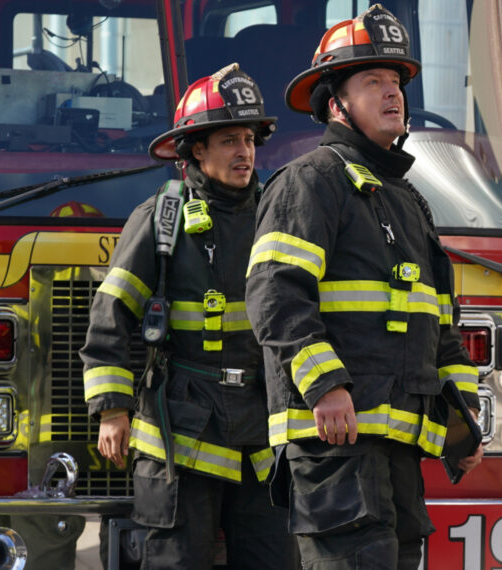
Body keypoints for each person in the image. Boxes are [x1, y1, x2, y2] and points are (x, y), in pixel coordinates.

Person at [244, 5, 483, 569]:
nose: (392, 92)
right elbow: (275, 294)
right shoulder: (311, 182)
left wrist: (462, 420)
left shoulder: (407, 200)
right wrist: (324, 385)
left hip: (397, 453)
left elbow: (436, 327)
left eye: (396, 81)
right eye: (372, 81)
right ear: (336, 104)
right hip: (334, 450)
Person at [79, 64, 293, 569]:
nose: (244, 152)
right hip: (184, 431)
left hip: (263, 433)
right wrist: (112, 409)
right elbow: (110, 317)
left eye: (249, 139)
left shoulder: (279, 214)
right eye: (228, 141)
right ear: (197, 149)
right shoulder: (161, 218)